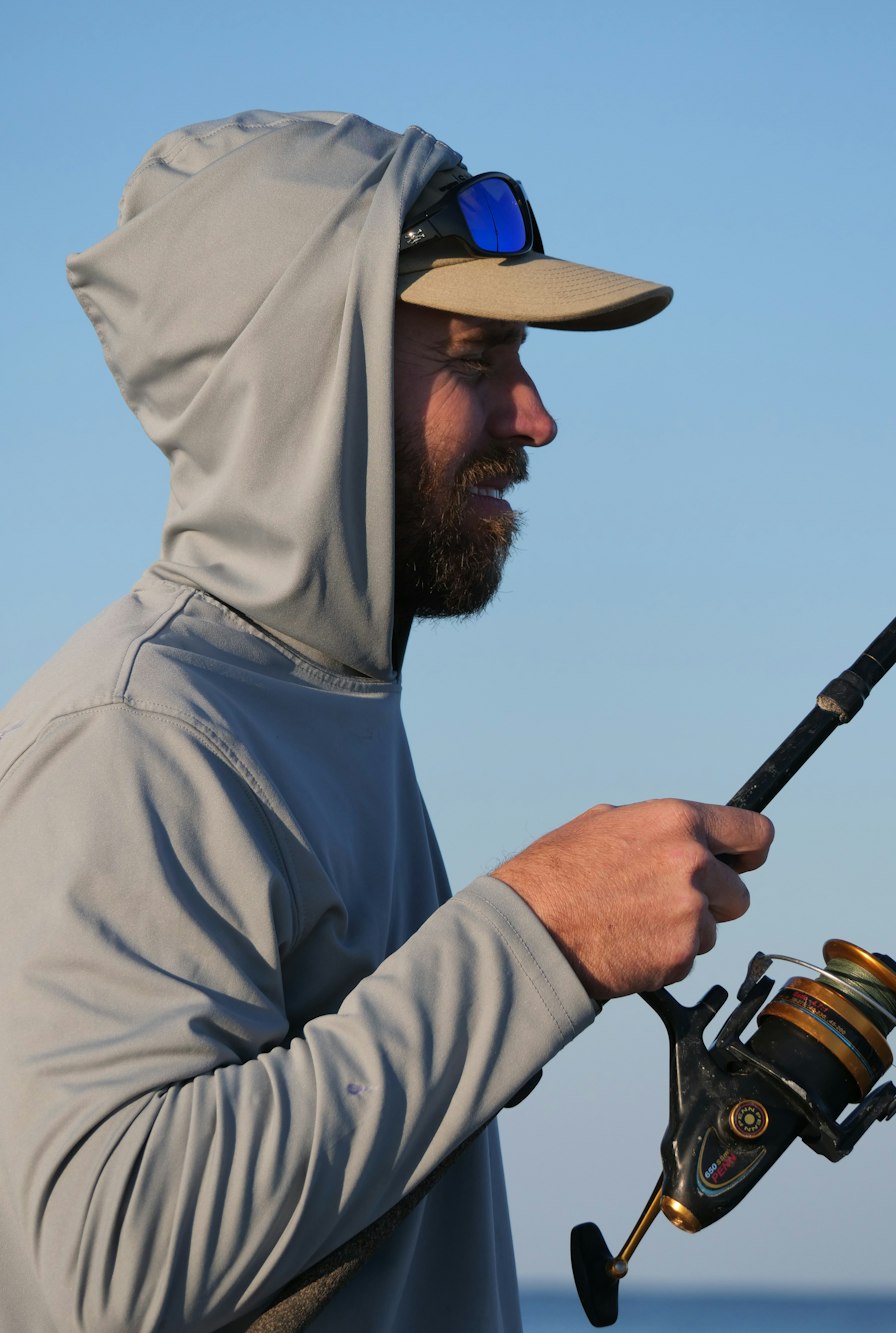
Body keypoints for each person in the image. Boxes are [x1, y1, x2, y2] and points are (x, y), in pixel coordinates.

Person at [0, 110, 773, 1332]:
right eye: (478, 359)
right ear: (305, 376)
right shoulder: (136, 734)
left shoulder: (323, 706)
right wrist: (542, 937)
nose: (534, 418)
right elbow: (107, 1265)